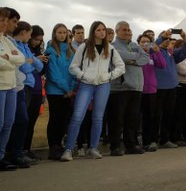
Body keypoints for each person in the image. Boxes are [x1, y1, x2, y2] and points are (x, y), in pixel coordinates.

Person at [62, 21, 126, 161]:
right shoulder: (84, 47)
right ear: (93, 32)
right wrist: (84, 76)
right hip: (86, 85)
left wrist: (109, 76)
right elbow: (73, 67)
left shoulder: (110, 48)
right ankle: (68, 149)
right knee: (77, 116)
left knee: (98, 117)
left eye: (103, 29)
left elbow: (121, 67)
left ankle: (93, 148)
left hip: (103, 85)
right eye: (98, 30)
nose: (102, 32)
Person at [5, 21, 43, 168]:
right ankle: (14, 153)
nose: (30, 36)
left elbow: (38, 67)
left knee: (24, 120)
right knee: (19, 120)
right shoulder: (14, 45)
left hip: (29, 86)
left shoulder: (25, 47)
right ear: (24, 33)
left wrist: (31, 61)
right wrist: (31, 62)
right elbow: (25, 67)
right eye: (29, 33)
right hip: (21, 85)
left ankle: (18, 152)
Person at [108, 21, 149, 156]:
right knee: (117, 119)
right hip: (120, 88)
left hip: (136, 87)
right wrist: (136, 58)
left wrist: (132, 60)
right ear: (117, 31)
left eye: (129, 30)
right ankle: (115, 147)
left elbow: (146, 58)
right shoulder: (112, 46)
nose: (127, 32)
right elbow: (119, 56)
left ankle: (130, 145)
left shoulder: (135, 45)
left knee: (132, 119)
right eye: (124, 30)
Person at [44, 23, 77, 160]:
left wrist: (72, 87)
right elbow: (53, 73)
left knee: (64, 120)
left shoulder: (71, 51)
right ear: (54, 34)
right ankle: (54, 147)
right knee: (55, 119)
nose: (63, 35)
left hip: (68, 91)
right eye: (59, 32)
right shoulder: (51, 50)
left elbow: (74, 71)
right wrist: (66, 88)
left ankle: (60, 145)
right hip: (55, 91)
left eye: (65, 33)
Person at [154, 30, 186, 148]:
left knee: (168, 114)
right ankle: (153, 139)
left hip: (172, 87)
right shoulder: (154, 51)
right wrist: (162, 38)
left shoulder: (171, 53)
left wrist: (184, 39)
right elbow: (154, 46)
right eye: (165, 40)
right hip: (159, 87)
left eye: (168, 41)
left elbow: (184, 52)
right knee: (157, 115)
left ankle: (165, 139)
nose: (167, 42)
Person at [0, 8, 25, 171]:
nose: (4, 23)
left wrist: (9, 58)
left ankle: (1, 156)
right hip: (1, 86)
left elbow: (21, 58)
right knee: (0, 123)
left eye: (5, 20)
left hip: (11, 86)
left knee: (8, 123)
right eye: (2, 20)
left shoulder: (6, 40)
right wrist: (11, 62)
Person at [24, 25, 47, 162]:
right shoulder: (27, 50)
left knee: (32, 121)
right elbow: (25, 66)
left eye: (40, 40)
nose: (37, 42)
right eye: (36, 39)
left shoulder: (38, 51)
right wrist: (36, 60)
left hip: (38, 89)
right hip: (28, 88)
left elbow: (41, 71)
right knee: (23, 120)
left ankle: (27, 149)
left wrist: (42, 62)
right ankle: (19, 149)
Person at [138, 34, 165, 151]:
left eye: (148, 41)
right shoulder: (137, 54)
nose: (145, 43)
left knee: (149, 117)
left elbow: (162, 65)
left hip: (151, 90)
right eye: (143, 41)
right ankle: (134, 142)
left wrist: (157, 52)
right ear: (138, 43)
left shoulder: (153, 54)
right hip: (138, 89)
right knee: (136, 117)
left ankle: (147, 142)